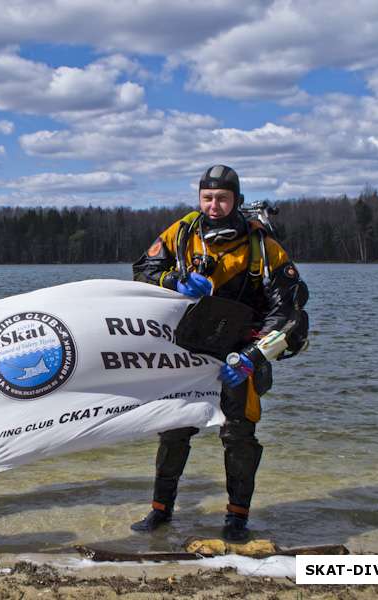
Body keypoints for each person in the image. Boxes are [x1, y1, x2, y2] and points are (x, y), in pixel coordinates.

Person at [131, 165, 308, 541]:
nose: (214, 205)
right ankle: (160, 511)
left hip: (239, 356)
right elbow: (142, 271)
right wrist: (174, 280)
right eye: (207, 198)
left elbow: (291, 316)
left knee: (239, 436)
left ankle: (237, 518)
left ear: (237, 201)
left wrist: (254, 358)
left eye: (222, 198)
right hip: (189, 351)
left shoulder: (264, 247)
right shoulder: (181, 233)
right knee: (174, 430)